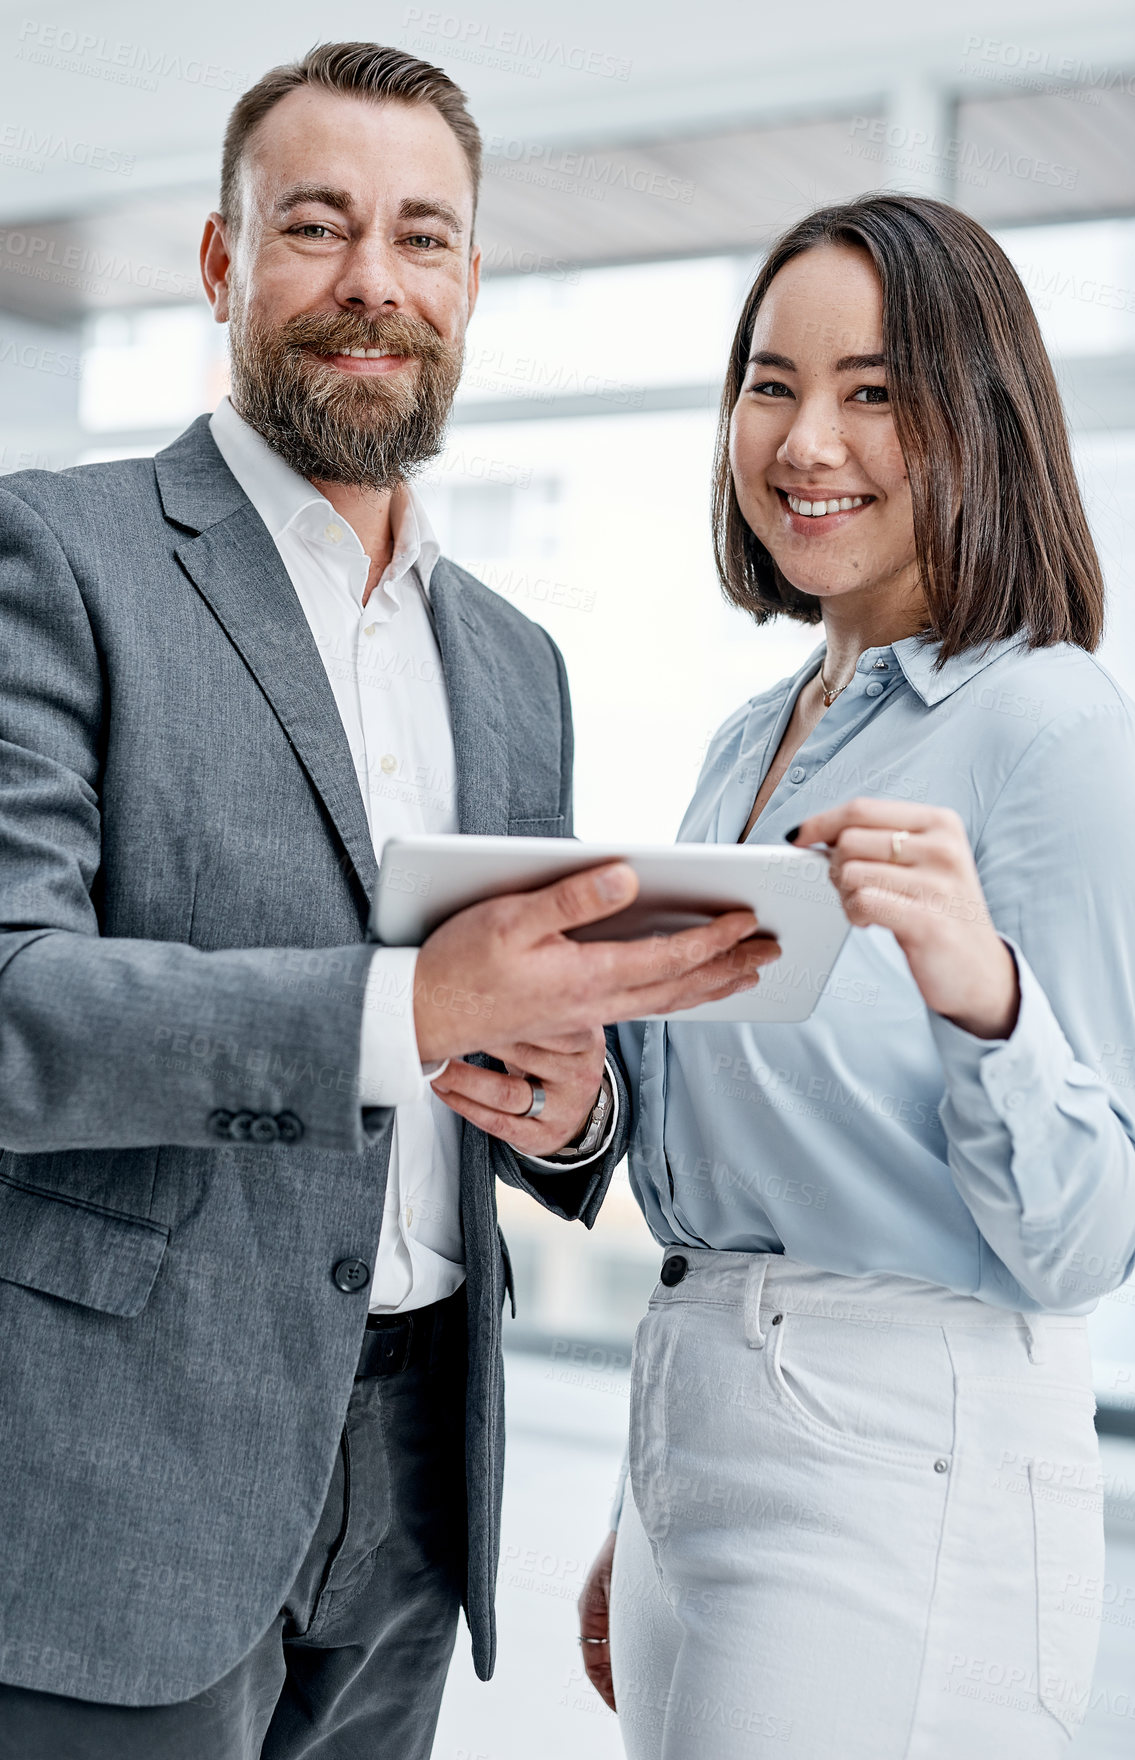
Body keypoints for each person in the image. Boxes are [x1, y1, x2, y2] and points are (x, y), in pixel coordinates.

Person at [0, 42, 774, 1760]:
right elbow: (15, 1002)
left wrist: (571, 1113)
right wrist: (411, 1007)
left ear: (472, 283)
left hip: (419, 1484)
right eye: (318, 227)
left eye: (424, 238)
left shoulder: (514, 662)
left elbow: (532, 1034)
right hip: (125, 1484)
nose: (374, 282)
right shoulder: (59, 557)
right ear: (223, 264)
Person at [570, 194, 1135, 1758]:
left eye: (874, 392)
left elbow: (1090, 1240)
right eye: (771, 383)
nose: (808, 439)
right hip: (707, 1425)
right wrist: (659, 1492)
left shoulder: (1051, 725)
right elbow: (725, 1146)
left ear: (982, 418)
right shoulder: (746, 745)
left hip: (906, 1459)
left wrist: (986, 993)